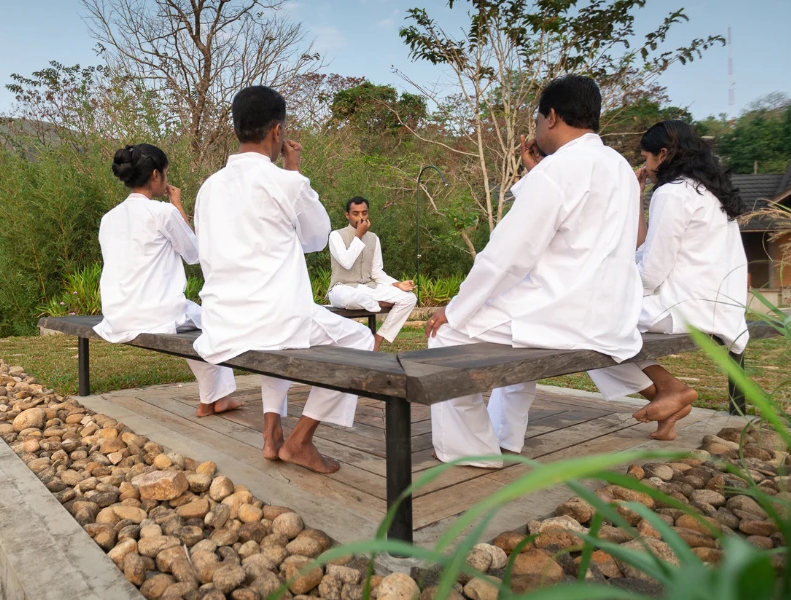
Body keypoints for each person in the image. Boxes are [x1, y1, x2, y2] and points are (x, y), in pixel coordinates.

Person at [423, 75, 645, 468]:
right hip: (611, 317)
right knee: (517, 328)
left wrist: (455, 308)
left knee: (445, 336)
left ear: (552, 116)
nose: (537, 128)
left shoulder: (559, 170)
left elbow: (506, 256)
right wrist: (536, 173)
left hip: (563, 314)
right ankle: (505, 435)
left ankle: (470, 451)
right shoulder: (620, 168)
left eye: (538, 119)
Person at [193, 86, 375, 474]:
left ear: (237, 128)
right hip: (273, 317)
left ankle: (271, 432)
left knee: (284, 326)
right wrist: (294, 172)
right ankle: (300, 441)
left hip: (221, 320)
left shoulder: (209, 187)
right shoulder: (285, 182)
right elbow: (315, 240)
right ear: (277, 131)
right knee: (360, 340)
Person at [585, 119, 750, 440]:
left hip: (684, 307)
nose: (645, 167)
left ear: (663, 154)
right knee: (595, 323)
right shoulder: (708, 192)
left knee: (582, 323)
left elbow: (651, 270)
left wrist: (614, 293)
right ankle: (668, 401)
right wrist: (638, 198)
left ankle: (669, 389)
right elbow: (648, 250)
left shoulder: (673, 193)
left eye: (646, 158)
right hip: (717, 308)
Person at [94, 143, 241, 418]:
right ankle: (213, 399)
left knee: (200, 321)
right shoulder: (162, 212)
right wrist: (177, 205)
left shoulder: (109, 218)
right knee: (214, 321)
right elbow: (194, 253)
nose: (166, 179)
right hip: (154, 312)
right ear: (155, 175)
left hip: (117, 314)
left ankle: (216, 398)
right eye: (166, 173)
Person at [326, 196, 419, 350]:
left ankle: (377, 340)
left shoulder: (373, 238)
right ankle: (379, 303)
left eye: (364, 213)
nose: (360, 217)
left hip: (367, 289)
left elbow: (376, 272)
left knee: (409, 298)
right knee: (349, 298)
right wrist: (359, 235)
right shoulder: (336, 236)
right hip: (342, 288)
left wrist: (397, 284)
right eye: (355, 213)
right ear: (347, 215)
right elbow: (346, 262)